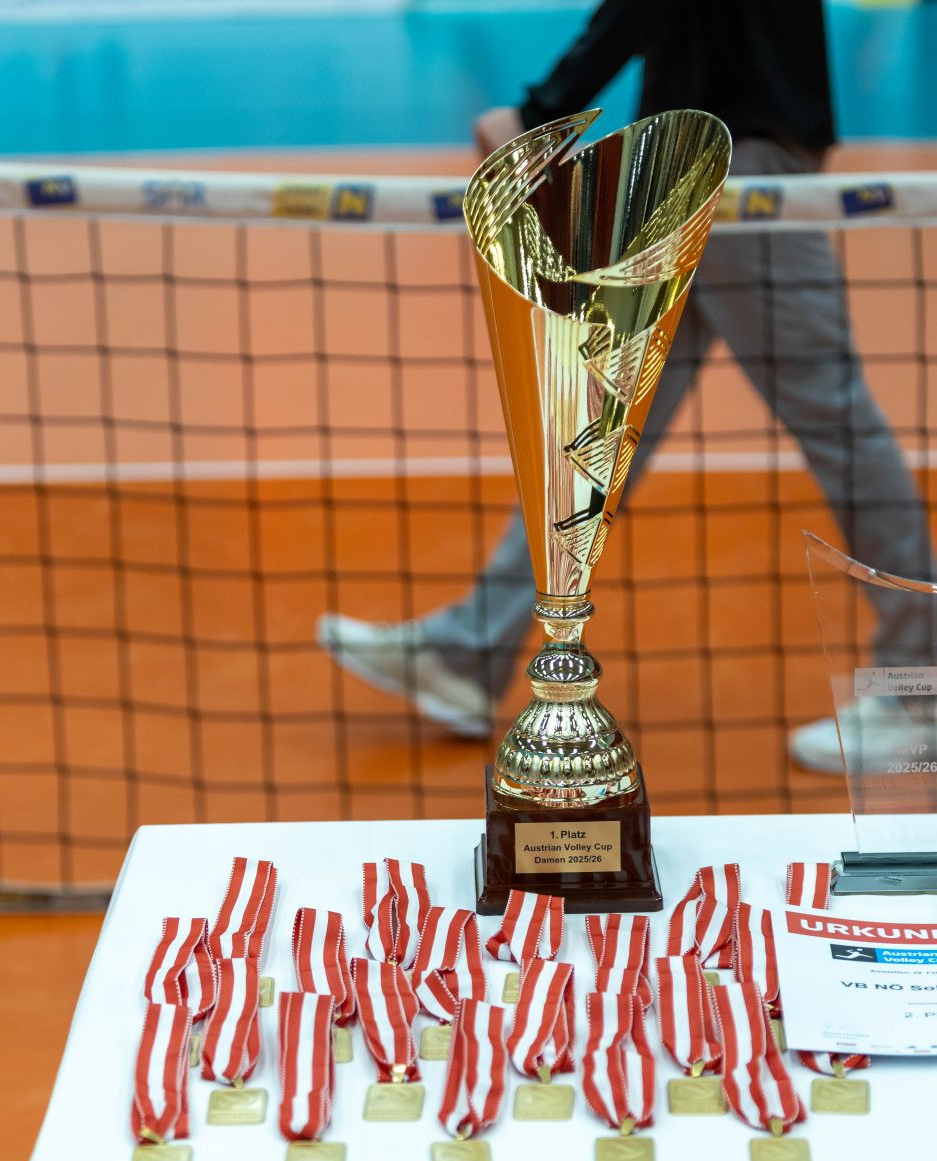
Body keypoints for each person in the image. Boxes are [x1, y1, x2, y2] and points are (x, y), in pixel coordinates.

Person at [318, 0, 937, 775]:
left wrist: (541, 112)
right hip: (692, 162)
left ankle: (923, 691)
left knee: (836, 421)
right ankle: (467, 651)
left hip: (729, 167)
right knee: (604, 426)